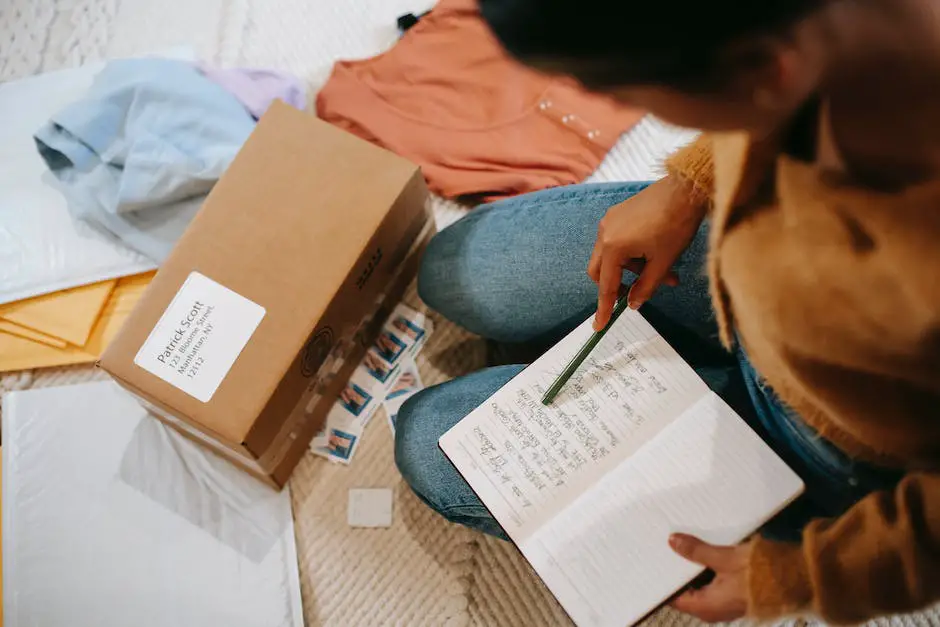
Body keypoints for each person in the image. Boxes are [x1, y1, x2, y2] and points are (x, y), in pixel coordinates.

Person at [393, 0, 940, 623]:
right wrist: (689, 185)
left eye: (623, 93)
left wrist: (801, 576)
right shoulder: (806, 43)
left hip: (837, 440)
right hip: (729, 264)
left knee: (431, 442)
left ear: (765, 71)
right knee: (455, 268)